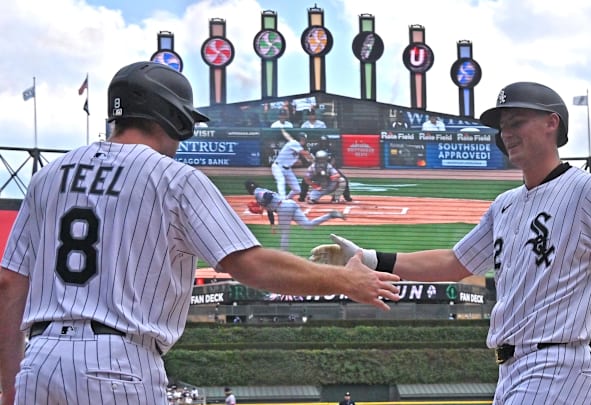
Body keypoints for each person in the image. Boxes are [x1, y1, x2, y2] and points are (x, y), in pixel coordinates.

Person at [0, 61, 401, 405]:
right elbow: (250, 264)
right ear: (172, 117)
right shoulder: (174, 178)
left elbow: (9, 283)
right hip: (117, 365)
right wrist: (345, 280)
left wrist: (11, 388)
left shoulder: (48, 177)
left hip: (40, 362)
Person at [309, 82, 591, 404]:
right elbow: (455, 262)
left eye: (516, 121)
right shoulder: (505, 204)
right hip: (512, 368)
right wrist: (368, 256)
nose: (506, 133)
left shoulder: (587, 191)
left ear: (551, 123)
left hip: (558, 364)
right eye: (503, 126)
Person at [245, 179, 345, 251]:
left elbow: (268, 197)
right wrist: (272, 225)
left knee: (284, 233)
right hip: (290, 204)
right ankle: (331, 215)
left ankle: (284, 257)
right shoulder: (260, 191)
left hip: (283, 208)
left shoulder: (257, 193)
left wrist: (262, 206)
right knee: (308, 225)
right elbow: (270, 210)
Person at [299, 135, 352, 203]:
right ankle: (302, 196)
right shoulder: (315, 148)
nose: (323, 144)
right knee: (305, 180)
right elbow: (310, 157)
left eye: (325, 142)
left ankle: (345, 197)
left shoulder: (331, 148)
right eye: (322, 142)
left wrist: (329, 169)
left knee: (343, 179)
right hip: (316, 168)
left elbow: (334, 159)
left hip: (329, 167)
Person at [272, 130, 313, 199]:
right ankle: (282, 200)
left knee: (297, 190)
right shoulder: (294, 143)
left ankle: (287, 198)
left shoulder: (298, 147)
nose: (304, 141)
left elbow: (297, 162)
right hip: (278, 167)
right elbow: (304, 153)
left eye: (305, 139)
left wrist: (302, 162)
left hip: (287, 169)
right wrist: (313, 158)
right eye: (303, 139)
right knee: (281, 181)